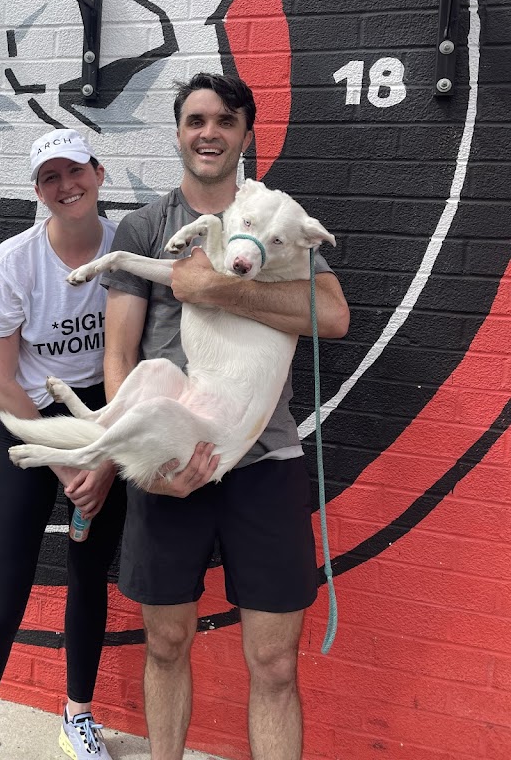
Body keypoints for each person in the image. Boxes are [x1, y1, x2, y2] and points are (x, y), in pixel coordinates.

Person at [100, 73, 350, 760]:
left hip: (265, 461)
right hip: (168, 460)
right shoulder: (145, 226)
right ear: (179, 133)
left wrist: (216, 288)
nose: (209, 133)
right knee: (165, 643)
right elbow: (119, 355)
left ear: (246, 135)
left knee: (273, 664)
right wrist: (139, 464)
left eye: (225, 121)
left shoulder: (276, 217)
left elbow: (332, 315)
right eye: (195, 120)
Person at [0, 129, 126, 760]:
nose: (66, 185)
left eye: (76, 171)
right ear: (38, 191)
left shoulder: (126, 252)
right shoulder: (15, 262)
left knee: (88, 578)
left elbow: (139, 358)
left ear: (99, 174)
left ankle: (78, 716)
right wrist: (66, 462)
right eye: (51, 177)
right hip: (28, 423)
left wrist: (105, 456)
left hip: (103, 419)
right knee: (0, 601)